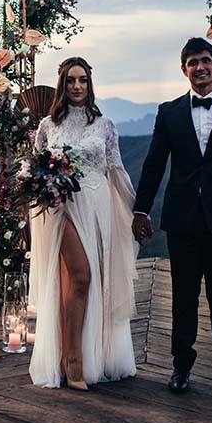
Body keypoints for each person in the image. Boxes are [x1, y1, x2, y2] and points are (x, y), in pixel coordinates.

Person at [132, 38, 212, 395]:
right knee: (183, 298)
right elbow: (155, 164)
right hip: (183, 221)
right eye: (192, 62)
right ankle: (180, 367)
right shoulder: (169, 112)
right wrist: (140, 209)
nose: (200, 67)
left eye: (205, 61)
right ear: (184, 69)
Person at [28, 57, 139, 390]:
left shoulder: (105, 126)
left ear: (90, 84)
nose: (77, 86)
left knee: (98, 282)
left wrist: (138, 212)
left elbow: (116, 171)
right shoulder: (48, 126)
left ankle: (97, 356)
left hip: (99, 207)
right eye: (71, 80)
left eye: (83, 80)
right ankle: (72, 359)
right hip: (64, 210)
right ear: (62, 84)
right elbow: (36, 172)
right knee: (81, 276)